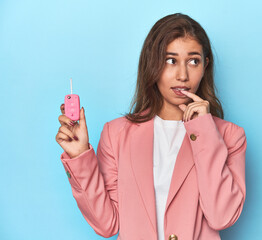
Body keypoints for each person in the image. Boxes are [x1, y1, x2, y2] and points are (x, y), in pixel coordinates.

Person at [56, 13, 247, 240]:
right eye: (170, 60)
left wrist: (204, 131)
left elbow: (221, 216)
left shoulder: (230, 137)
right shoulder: (116, 134)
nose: (183, 75)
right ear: (153, 64)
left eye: (193, 61)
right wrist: (79, 158)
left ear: (205, 66)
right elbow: (107, 224)